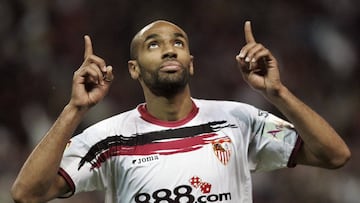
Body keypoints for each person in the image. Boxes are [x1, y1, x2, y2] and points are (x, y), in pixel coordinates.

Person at [11, 20, 350, 203]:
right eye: (153, 44)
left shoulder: (238, 121)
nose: (169, 50)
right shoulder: (108, 139)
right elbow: (27, 194)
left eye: (178, 43)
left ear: (191, 63)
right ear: (133, 69)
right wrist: (74, 109)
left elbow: (334, 155)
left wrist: (278, 93)